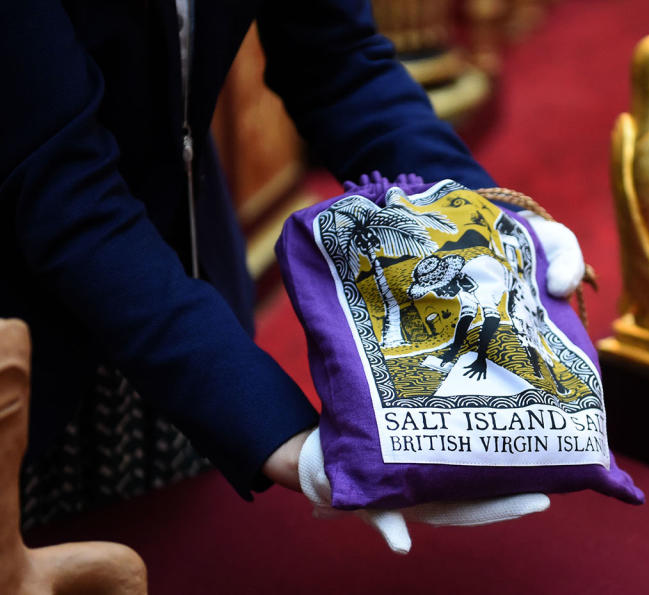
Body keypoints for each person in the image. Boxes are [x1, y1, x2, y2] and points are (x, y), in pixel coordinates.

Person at [0, 0, 507, 526]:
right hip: (28, 344)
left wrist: (486, 224)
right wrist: (276, 428)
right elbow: (63, 188)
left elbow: (338, 61)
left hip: (187, 291)